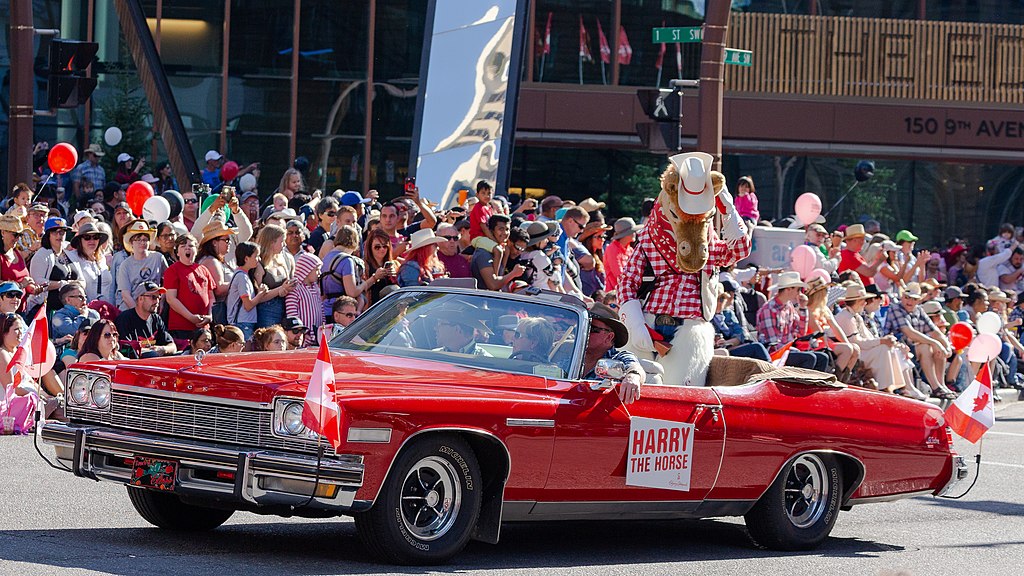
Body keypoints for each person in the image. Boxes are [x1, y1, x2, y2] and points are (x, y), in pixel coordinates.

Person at [883, 282, 956, 399]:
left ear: (918, 300)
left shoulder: (919, 311)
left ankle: (941, 385)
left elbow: (935, 331)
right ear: (902, 297)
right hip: (897, 348)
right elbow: (909, 332)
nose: (909, 301)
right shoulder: (895, 308)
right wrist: (935, 343)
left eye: (914, 299)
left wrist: (945, 345)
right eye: (907, 297)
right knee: (927, 347)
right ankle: (935, 387)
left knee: (937, 349)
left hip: (911, 349)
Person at [755, 272, 830, 372]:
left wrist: (803, 308)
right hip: (774, 355)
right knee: (809, 358)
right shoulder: (769, 309)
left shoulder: (789, 306)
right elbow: (773, 344)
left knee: (823, 358)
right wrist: (793, 350)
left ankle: (814, 386)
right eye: (798, 289)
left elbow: (800, 333)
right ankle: (800, 386)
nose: (800, 293)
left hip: (787, 350)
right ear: (788, 289)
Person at [581, 303, 643, 404]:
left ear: (609, 337)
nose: (585, 331)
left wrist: (632, 377)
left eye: (592, 329)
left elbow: (635, 367)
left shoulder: (618, 358)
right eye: (585, 326)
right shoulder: (568, 353)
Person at [228, 241, 285, 341]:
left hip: (246, 322)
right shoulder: (241, 277)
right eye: (256, 256)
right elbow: (248, 305)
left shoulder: (245, 275)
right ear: (246, 258)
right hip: (241, 323)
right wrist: (261, 294)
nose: (258, 259)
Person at [163, 234, 215, 340]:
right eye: (183, 246)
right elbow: (171, 299)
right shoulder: (172, 270)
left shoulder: (203, 269)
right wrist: (191, 317)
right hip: (181, 327)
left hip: (203, 327)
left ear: (196, 250)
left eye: (191, 246)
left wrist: (210, 316)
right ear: (177, 252)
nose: (187, 248)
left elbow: (211, 297)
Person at [27, 217, 82, 313]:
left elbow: (82, 280)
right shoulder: (41, 255)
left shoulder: (70, 254)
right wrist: (62, 284)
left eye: (62, 232)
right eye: (54, 232)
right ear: (48, 235)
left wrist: (75, 285)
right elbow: (38, 282)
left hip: (72, 309)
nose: (59, 235)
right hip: (47, 309)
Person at [321, 225, 374, 315]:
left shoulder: (327, 257)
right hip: (343, 312)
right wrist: (365, 284)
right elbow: (352, 292)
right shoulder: (347, 260)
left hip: (326, 309)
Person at [115, 220, 167, 311]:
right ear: (131, 242)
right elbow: (126, 295)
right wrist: (139, 313)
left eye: (145, 239)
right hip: (131, 310)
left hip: (154, 307)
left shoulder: (158, 258)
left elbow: (169, 280)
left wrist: (162, 301)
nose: (142, 243)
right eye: (138, 239)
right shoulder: (125, 265)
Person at [115, 281, 177, 357]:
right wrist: (150, 351)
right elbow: (126, 351)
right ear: (140, 299)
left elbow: (173, 346)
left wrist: (162, 349)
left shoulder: (156, 319)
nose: (157, 301)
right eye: (153, 297)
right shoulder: (124, 319)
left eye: (158, 297)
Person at [253, 224, 295, 328]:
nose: (284, 245)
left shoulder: (281, 260)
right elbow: (257, 298)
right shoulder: (259, 264)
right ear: (272, 242)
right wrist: (280, 289)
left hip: (284, 308)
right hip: (266, 312)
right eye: (281, 241)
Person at [198, 220, 238, 324]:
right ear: (214, 242)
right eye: (226, 240)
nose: (229, 243)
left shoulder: (213, 260)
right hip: (217, 312)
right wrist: (239, 282)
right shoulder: (211, 261)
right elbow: (219, 289)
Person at [471, 214, 525, 291]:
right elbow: (493, 285)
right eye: (501, 229)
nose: (505, 233)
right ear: (491, 231)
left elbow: (499, 280)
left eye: (507, 229)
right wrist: (513, 273)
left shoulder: (504, 250)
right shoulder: (483, 253)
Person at [67, 221, 114, 305]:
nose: (92, 240)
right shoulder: (72, 257)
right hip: (85, 309)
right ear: (79, 240)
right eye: (87, 237)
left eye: (95, 237)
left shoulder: (102, 258)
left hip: (107, 309)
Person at [285, 251, 323, 347]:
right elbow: (292, 312)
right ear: (307, 270)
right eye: (317, 270)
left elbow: (321, 310)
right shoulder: (295, 288)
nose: (319, 273)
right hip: (303, 336)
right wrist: (299, 331)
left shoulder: (316, 288)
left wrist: (323, 328)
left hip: (317, 334)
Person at [0, 215, 36, 313]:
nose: (17, 239)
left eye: (20, 235)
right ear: (3, 232)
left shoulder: (17, 253)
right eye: (15, 234)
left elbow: (25, 280)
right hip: (4, 314)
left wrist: (33, 288)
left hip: (21, 310)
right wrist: (20, 286)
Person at [360, 228, 397, 306]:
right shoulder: (363, 265)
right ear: (370, 247)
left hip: (391, 306)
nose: (382, 249)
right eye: (377, 247)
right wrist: (375, 277)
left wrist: (395, 275)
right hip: (372, 307)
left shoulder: (394, 264)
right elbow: (359, 289)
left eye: (385, 246)